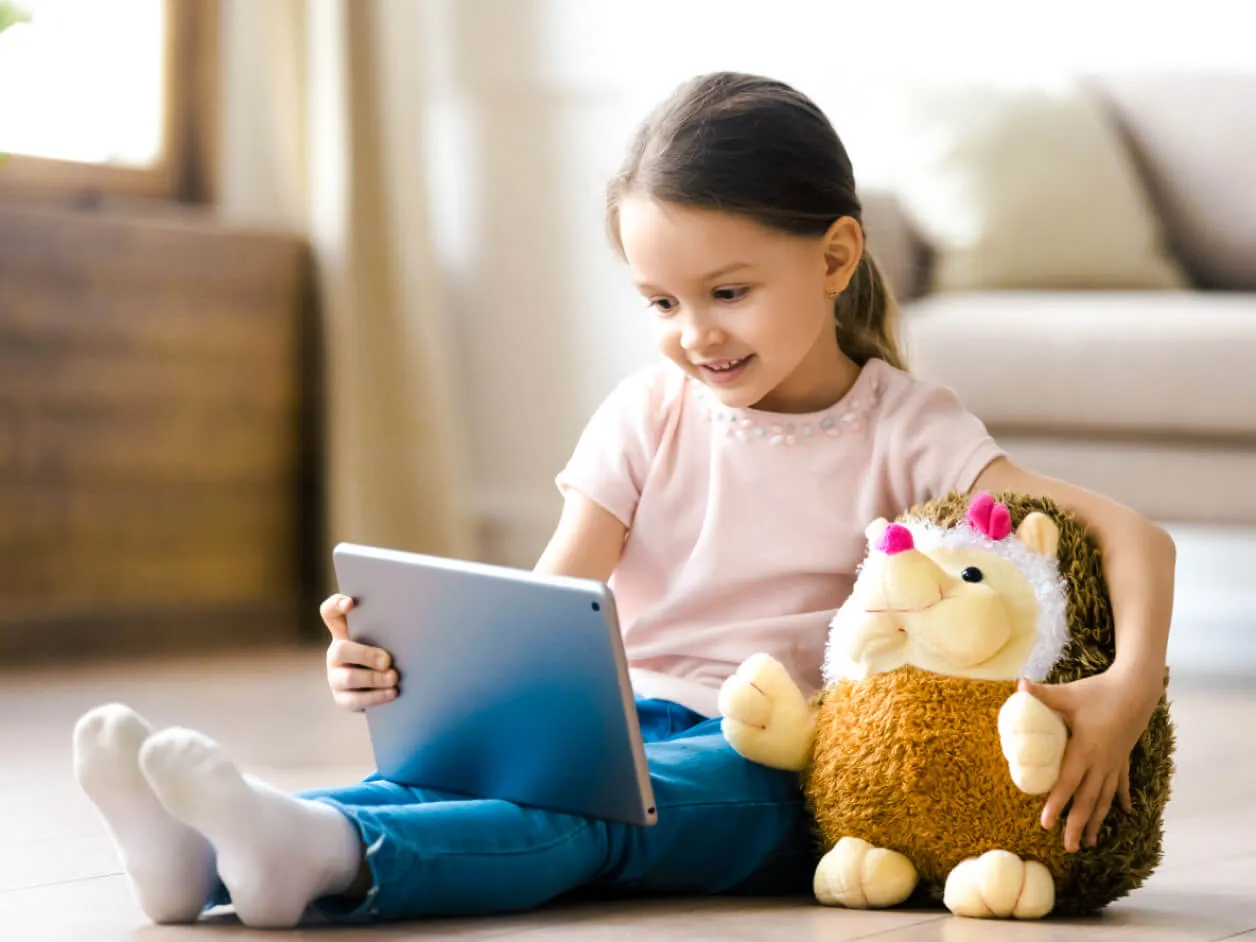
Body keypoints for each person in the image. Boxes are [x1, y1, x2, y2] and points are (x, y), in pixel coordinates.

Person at [71, 72, 1176, 929]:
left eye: (726, 293)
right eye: (659, 299)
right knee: (475, 781)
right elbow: (549, 604)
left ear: (834, 257)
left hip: (772, 765)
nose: (692, 333)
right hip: (611, 722)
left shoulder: (906, 427)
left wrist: (1124, 689)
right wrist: (403, 660)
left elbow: (1134, 537)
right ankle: (214, 855)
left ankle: (326, 859)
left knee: (589, 827)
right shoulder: (646, 412)